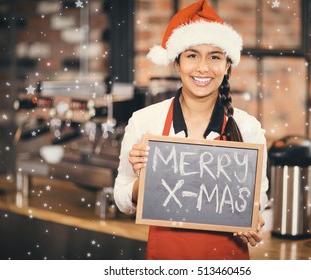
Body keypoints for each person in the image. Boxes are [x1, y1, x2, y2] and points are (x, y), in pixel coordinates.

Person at [114, 0, 269, 260]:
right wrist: (145, 184)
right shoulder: (144, 121)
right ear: (177, 63)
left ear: (228, 65)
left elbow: (258, 202)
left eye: (215, 56)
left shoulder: (249, 128)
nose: (203, 68)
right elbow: (121, 197)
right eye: (192, 55)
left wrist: (253, 222)